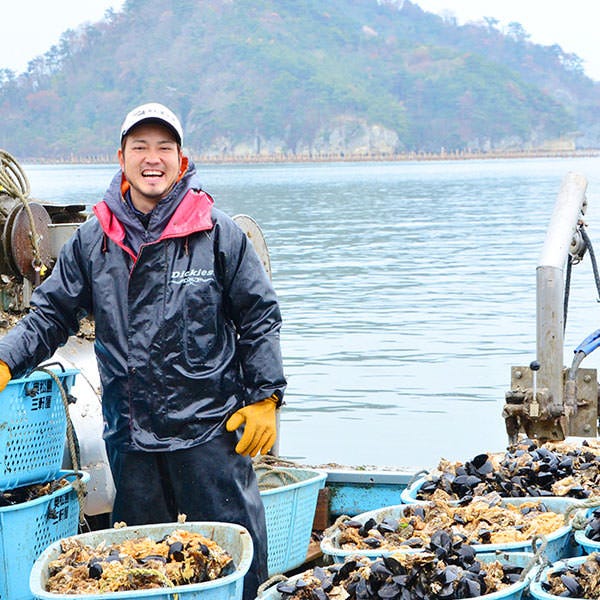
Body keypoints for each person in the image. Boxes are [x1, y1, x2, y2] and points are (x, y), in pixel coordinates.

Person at [0, 102, 286, 599]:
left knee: (232, 567)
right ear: (121, 157)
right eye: (140, 147)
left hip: (211, 437)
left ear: (181, 159)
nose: (152, 158)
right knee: (139, 572)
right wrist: (6, 358)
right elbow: (50, 314)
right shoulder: (93, 241)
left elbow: (259, 316)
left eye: (163, 147)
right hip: (131, 442)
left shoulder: (219, 234)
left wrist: (266, 397)